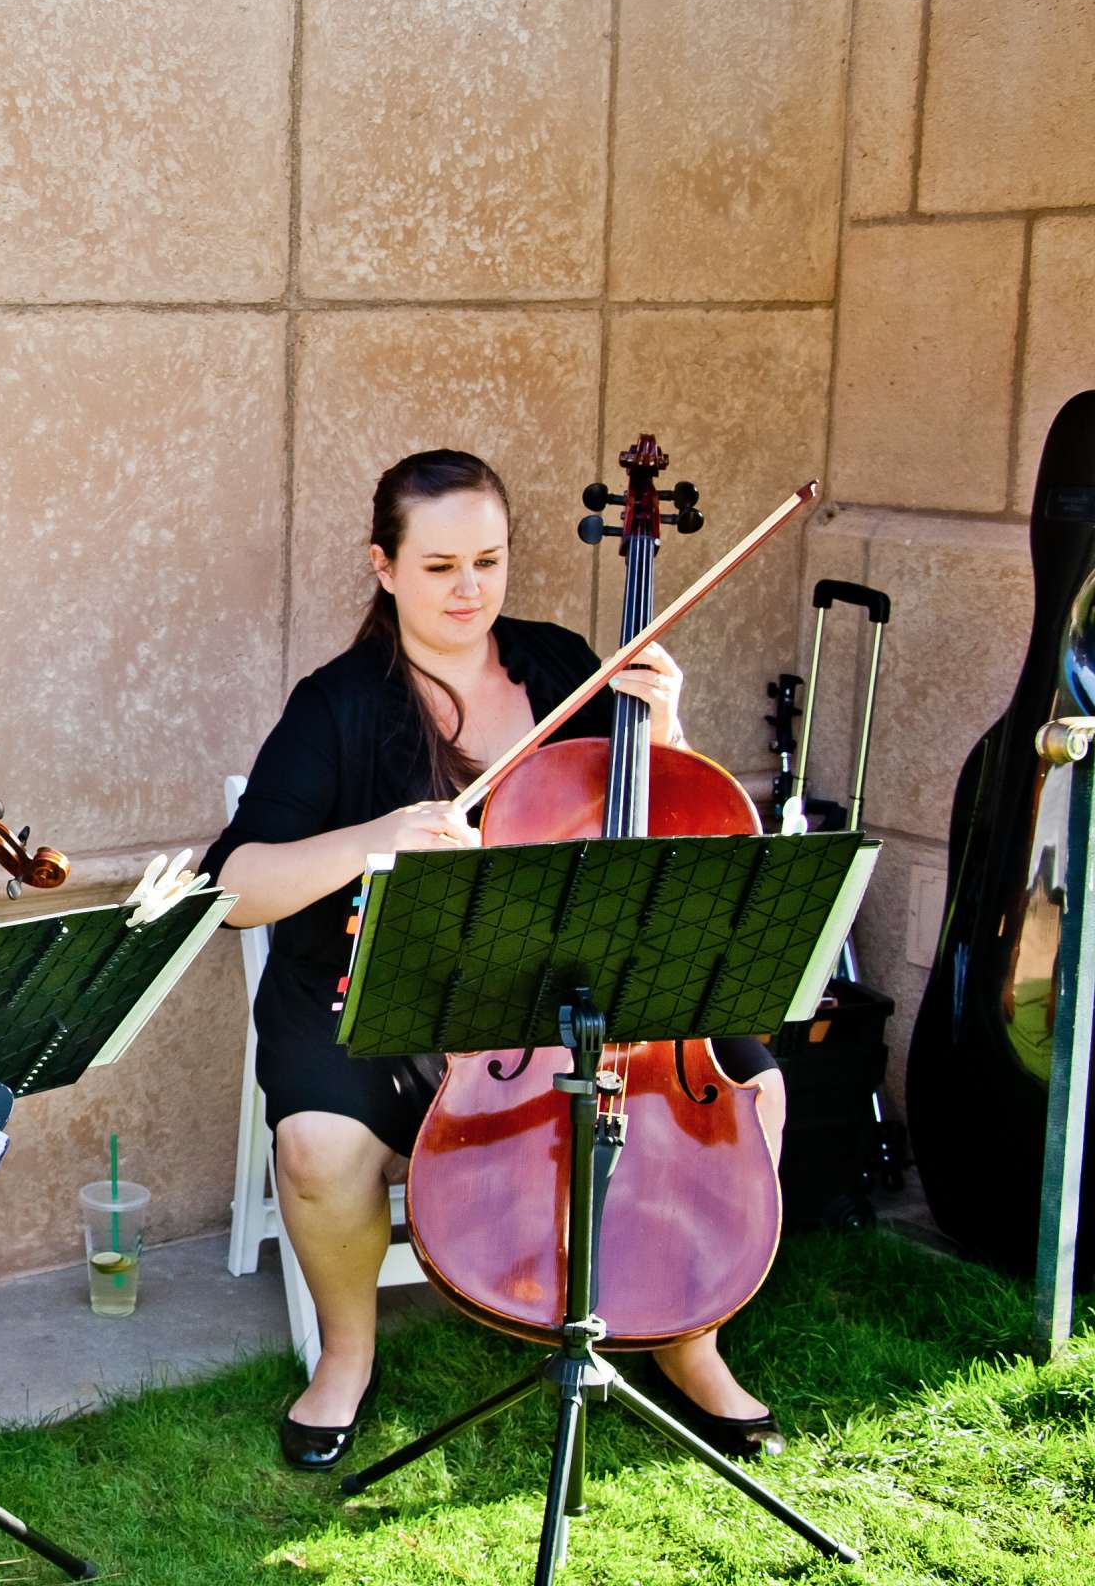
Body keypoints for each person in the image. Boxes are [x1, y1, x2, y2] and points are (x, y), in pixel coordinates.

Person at [199, 449, 788, 1472]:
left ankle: (692, 1337)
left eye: (489, 560)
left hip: (560, 983)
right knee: (318, 1147)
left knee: (750, 1082)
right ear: (383, 567)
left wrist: (667, 729)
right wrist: (375, 840)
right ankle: (346, 1355)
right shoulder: (338, 703)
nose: (469, 588)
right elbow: (232, 885)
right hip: (389, 987)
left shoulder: (562, 664)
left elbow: (659, 827)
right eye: (438, 567)